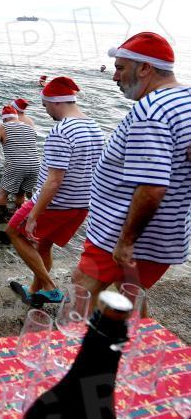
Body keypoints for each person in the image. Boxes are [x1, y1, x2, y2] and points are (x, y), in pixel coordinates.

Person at [72, 32, 191, 316]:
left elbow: (152, 188)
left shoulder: (151, 112)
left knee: (81, 293)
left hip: (122, 232)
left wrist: (126, 241)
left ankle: (75, 340)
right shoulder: (184, 99)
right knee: (130, 296)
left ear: (145, 68)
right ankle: (142, 338)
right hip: (164, 234)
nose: (115, 77)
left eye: (120, 68)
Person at [5, 77, 104, 307]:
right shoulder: (94, 127)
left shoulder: (62, 130)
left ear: (56, 101)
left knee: (14, 232)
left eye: (45, 105)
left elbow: (54, 181)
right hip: (81, 203)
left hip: (56, 203)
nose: (46, 110)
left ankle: (50, 288)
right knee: (44, 245)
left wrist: (34, 214)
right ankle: (34, 292)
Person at [0, 105, 39, 215]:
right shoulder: (29, 127)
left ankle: (2, 218)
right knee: (21, 194)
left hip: (17, 165)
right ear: (16, 117)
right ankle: (18, 216)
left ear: (4, 119)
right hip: (35, 165)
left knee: (2, 194)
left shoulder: (3, 127)